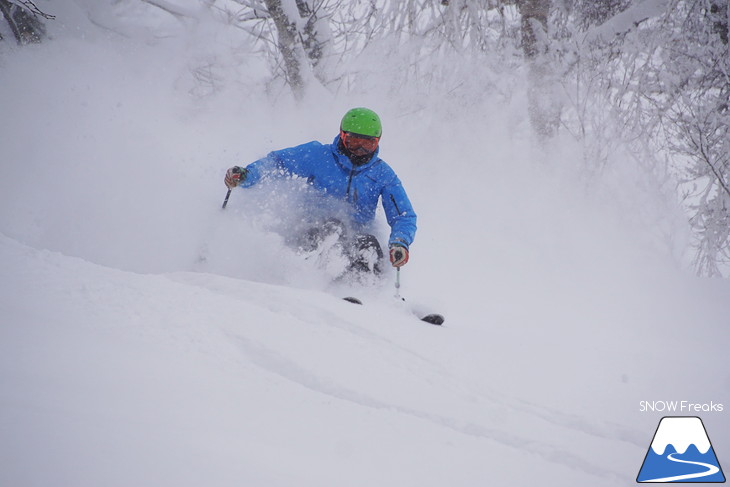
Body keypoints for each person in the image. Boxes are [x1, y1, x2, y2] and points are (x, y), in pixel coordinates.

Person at [224, 108, 417, 281]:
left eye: (368, 144)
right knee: (333, 228)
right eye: (354, 141)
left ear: (378, 142)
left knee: (369, 244)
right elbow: (276, 162)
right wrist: (247, 176)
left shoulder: (382, 174)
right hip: (310, 232)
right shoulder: (318, 155)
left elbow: (403, 215)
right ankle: (307, 282)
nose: (360, 150)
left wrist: (400, 242)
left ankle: (366, 297)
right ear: (342, 136)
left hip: (354, 240)